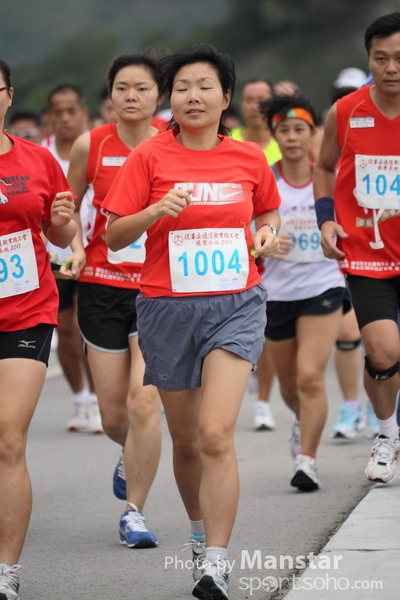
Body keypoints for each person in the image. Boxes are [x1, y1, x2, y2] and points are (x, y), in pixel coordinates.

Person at [103, 43, 281, 600]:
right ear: (170, 99)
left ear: (226, 98)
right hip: (167, 308)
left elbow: (267, 209)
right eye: (182, 87)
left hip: (236, 303)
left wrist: (267, 232)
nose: (193, 96)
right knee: (185, 440)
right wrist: (154, 211)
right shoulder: (148, 156)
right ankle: (201, 536)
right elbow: (113, 235)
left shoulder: (249, 157)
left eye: (205, 86)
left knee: (215, 433)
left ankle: (218, 562)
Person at [65, 53, 162, 548]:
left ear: (158, 95)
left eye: (142, 88)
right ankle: (130, 452)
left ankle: (134, 512)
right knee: (114, 418)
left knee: (144, 401)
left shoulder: (173, 141)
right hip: (101, 287)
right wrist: (75, 246)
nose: (132, 96)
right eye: (122, 87)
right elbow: (65, 209)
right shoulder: (91, 144)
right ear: (110, 94)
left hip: (157, 288)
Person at [0, 58, 76, 600]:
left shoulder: (38, 159)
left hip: (26, 310)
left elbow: (59, 231)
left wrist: (65, 222)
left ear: (8, 95)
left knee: (8, 437)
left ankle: (5, 569)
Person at [314, 12, 400, 484]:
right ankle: (386, 435)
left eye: (399, 58)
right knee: (382, 352)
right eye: (381, 58)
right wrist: (326, 218)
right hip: (368, 254)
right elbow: (325, 167)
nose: (391, 68)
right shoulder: (346, 111)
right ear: (369, 60)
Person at [260, 93, 350, 491]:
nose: (292, 137)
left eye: (300, 129)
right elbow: (246, 230)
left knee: (310, 375)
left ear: (314, 133)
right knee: (289, 386)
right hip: (276, 293)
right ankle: (302, 420)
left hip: (322, 285)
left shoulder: (327, 179)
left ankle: (307, 461)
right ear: (274, 135)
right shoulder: (265, 181)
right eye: (284, 130)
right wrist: (263, 244)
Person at [45, 84, 101, 433]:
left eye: (71, 111)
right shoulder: (41, 154)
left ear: (83, 113)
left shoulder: (96, 148)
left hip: (94, 253)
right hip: (55, 256)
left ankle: (97, 398)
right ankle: (80, 397)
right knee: (65, 330)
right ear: (50, 117)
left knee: (87, 326)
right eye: (58, 112)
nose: (65, 118)